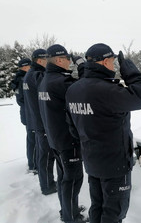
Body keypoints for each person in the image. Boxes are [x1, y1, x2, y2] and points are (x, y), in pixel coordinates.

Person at [65, 43, 141, 223]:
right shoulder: (107, 90)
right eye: (113, 62)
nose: (114, 66)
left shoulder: (73, 90)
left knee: (97, 206)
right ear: (105, 62)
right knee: (114, 212)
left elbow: (73, 128)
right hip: (115, 165)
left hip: (92, 160)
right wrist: (130, 70)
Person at [38, 44, 87, 223]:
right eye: (67, 59)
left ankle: (67, 210)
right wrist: (82, 66)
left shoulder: (46, 79)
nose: (69, 63)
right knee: (72, 180)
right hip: (68, 141)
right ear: (59, 60)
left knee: (63, 178)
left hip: (55, 138)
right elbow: (83, 88)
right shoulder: (60, 82)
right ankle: (71, 217)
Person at [23, 49, 56, 195]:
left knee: (42, 155)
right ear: (41, 60)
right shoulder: (37, 75)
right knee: (46, 156)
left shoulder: (29, 75)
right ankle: (47, 185)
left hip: (36, 121)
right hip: (42, 122)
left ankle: (46, 183)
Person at [11, 58, 37, 173]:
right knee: (33, 140)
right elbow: (22, 100)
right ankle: (33, 164)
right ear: (24, 67)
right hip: (29, 113)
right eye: (29, 66)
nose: (31, 68)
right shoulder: (22, 80)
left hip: (27, 113)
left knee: (31, 139)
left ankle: (33, 162)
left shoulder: (19, 79)